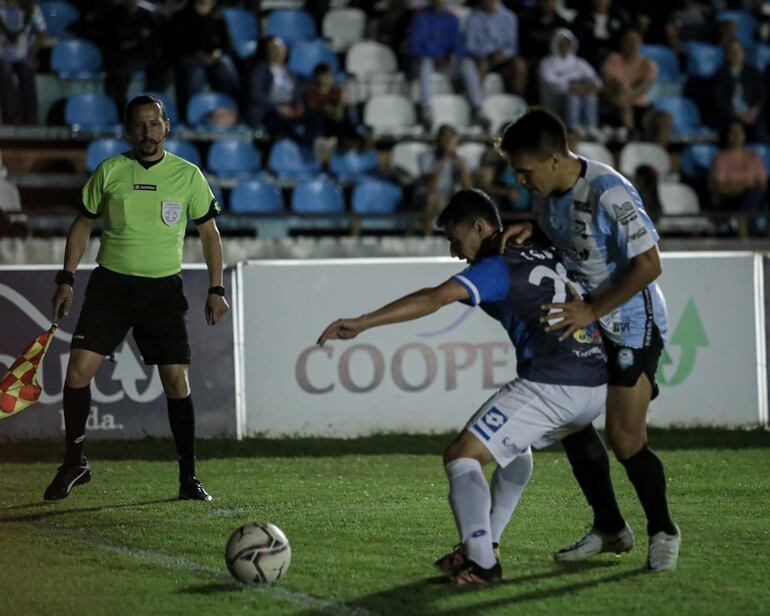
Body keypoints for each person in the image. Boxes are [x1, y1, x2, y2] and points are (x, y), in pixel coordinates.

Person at [317, 188, 611, 585]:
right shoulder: (541, 248)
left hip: (556, 383)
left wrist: (363, 322)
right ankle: (487, 544)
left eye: (456, 240)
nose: (456, 252)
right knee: (515, 450)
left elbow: (434, 298)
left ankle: (483, 565)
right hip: (595, 382)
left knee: (461, 456)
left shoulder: (497, 265)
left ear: (480, 227)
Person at [496, 108, 680, 572]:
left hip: (633, 323)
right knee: (573, 420)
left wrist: (593, 309)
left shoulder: (608, 191)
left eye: (525, 171)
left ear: (555, 159)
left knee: (624, 439)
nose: (520, 181)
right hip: (591, 318)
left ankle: (664, 531)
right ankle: (611, 528)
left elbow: (650, 265)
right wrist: (534, 230)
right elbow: (570, 240)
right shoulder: (547, 195)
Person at [44, 94, 229, 502]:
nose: (148, 132)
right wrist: (66, 278)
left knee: (176, 381)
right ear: (128, 130)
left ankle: (188, 476)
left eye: (155, 123)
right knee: (77, 373)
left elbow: (210, 235)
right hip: (111, 288)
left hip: (162, 291)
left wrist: (216, 288)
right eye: (140, 125)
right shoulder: (110, 171)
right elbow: (82, 225)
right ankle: (74, 462)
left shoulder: (188, 175)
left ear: (167, 126)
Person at [407, 0, 485, 127]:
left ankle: (478, 108)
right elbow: (414, 47)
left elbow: (458, 45)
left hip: (447, 65)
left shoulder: (452, 19)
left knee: (468, 64)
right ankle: (426, 109)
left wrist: (453, 57)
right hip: (429, 63)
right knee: (425, 63)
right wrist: (436, 56)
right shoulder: (420, 18)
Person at [171, 0, 240, 122]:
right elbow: (177, 44)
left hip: (214, 57)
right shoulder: (182, 15)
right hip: (190, 57)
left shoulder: (218, 15)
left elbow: (227, 44)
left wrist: (217, 53)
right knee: (196, 74)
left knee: (226, 68)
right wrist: (198, 54)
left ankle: (232, 111)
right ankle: (189, 115)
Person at [538, 28, 603, 139]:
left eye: (567, 43)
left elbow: (597, 82)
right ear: (555, 44)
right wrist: (571, 87)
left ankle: (591, 128)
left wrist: (586, 87)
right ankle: (573, 128)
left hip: (580, 93)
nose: (564, 46)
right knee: (573, 96)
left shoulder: (580, 63)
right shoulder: (547, 63)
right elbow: (550, 83)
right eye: (561, 43)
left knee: (591, 96)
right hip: (556, 99)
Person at [709, 121, 768, 237]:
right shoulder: (721, 158)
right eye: (733, 132)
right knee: (752, 195)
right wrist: (747, 186)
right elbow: (720, 188)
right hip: (730, 201)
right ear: (727, 135)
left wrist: (742, 186)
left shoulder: (754, 156)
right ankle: (748, 231)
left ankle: (748, 228)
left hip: (754, 199)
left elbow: (762, 184)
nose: (736, 135)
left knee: (755, 195)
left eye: (740, 131)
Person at [414, 125, 472, 235]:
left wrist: (459, 160)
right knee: (431, 197)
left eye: (450, 139)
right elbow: (431, 185)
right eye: (445, 138)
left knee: (470, 198)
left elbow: (468, 186)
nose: (447, 142)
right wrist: (445, 157)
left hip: (447, 196)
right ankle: (427, 237)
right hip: (426, 195)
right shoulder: (426, 156)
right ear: (438, 139)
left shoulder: (459, 159)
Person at [464, 0, 527, 98]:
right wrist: (487, 53)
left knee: (519, 65)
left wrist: (504, 54)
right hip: (483, 58)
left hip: (503, 58)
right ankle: (477, 101)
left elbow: (513, 47)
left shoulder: (510, 17)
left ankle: (517, 99)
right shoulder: (473, 19)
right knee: (481, 65)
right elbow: (470, 46)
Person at [0, 0, 46, 125]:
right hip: (2, 56)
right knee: (5, 74)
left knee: (28, 73)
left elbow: (42, 33)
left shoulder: (30, 7)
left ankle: (31, 120)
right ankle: (12, 120)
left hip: (24, 55)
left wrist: (32, 53)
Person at [712, 41, 766, 143]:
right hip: (730, 113)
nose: (735, 54)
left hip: (751, 113)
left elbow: (761, 95)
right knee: (733, 126)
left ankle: (757, 150)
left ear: (743, 54)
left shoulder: (753, 73)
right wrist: (738, 114)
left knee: (760, 124)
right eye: (732, 51)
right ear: (727, 55)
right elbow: (719, 99)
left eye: (738, 51)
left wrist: (753, 111)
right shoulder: (720, 75)